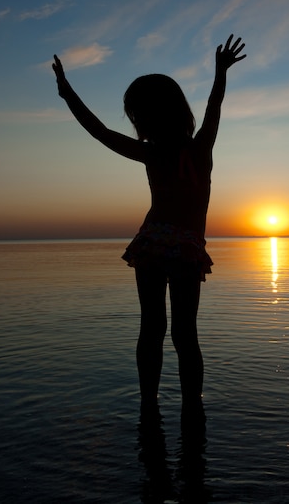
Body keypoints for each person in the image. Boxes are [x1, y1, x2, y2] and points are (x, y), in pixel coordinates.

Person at [52, 34, 246, 418]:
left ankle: (148, 404)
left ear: (144, 118)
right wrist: (220, 72)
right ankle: (192, 406)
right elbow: (214, 105)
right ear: (179, 111)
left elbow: (100, 131)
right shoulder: (200, 147)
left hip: (153, 242)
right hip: (185, 246)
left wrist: (67, 94)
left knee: (152, 329)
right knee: (184, 335)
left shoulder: (151, 152)